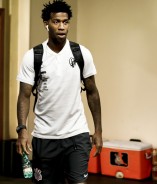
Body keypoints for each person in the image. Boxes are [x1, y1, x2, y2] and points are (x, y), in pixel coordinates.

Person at [16, 0, 102, 183]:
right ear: (46, 24)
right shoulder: (33, 56)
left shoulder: (81, 53)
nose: (62, 27)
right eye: (56, 22)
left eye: (65, 22)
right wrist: (22, 130)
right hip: (44, 137)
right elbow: (24, 95)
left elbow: (92, 93)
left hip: (76, 135)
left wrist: (98, 131)